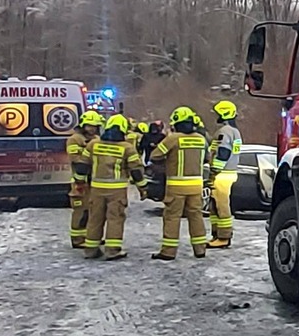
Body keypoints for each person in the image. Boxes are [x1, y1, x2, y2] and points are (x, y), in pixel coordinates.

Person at [82, 114, 144, 260]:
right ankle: (112, 250)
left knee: (95, 218)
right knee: (115, 218)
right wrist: (142, 188)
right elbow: (136, 171)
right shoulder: (127, 148)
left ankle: (91, 249)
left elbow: (82, 165)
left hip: (96, 189)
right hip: (117, 190)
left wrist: (79, 182)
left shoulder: (93, 144)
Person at [150, 107, 210, 260]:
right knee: (196, 216)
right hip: (196, 185)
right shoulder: (201, 139)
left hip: (176, 185)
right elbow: (207, 158)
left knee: (172, 217)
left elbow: (155, 155)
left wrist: (167, 162)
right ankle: (200, 249)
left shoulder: (173, 139)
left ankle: (168, 251)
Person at [67, 109, 103, 249]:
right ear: (83, 125)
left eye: (95, 126)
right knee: (80, 210)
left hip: (93, 179)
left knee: (92, 211)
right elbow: (76, 159)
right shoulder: (74, 139)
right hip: (80, 180)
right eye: (89, 126)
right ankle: (77, 239)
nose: (92, 129)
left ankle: (90, 236)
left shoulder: (96, 139)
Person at [208, 99, 241, 248]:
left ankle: (223, 237)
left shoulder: (225, 131)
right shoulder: (235, 131)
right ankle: (217, 235)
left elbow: (223, 152)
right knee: (216, 205)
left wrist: (214, 170)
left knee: (221, 206)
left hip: (222, 174)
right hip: (229, 173)